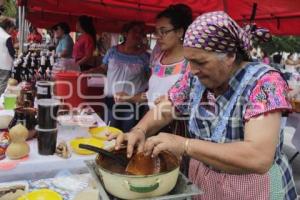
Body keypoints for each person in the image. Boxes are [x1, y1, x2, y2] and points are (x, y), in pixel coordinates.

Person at [111, 11, 297, 199]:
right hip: (206, 184)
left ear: (230, 55)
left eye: (200, 62)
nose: (192, 70)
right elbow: (167, 107)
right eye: (189, 61)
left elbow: (258, 157)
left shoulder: (264, 83)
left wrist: (185, 145)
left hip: (254, 189)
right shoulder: (195, 78)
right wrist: (140, 130)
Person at [87, 21, 150, 132]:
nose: (138, 35)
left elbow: (151, 80)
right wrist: (90, 71)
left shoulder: (145, 57)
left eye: (141, 32)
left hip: (133, 103)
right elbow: (103, 68)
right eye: (134, 31)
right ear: (125, 34)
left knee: (127, 135)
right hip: (111, 100)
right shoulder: (112, 52)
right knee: (109, 133)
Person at [0, 17, 16, 93]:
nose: (12, 31)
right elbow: (12, 52)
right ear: (8, 27)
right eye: (12, 29)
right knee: (3, 85)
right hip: (5, 65)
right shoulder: (7, 37)